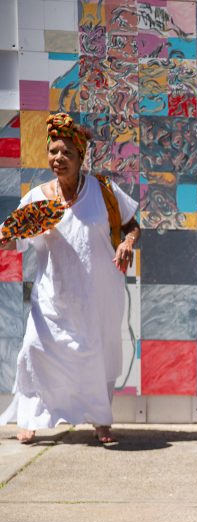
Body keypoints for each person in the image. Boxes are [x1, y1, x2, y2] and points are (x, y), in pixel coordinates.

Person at [0, 113, 139, 444]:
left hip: (99, 294)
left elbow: (132, 224)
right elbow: (13, 236)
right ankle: (31, 415)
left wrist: (127, 244)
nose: (58, 159)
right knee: (35, 349)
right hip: (53, 294)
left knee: (97, 354)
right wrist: (6, 239)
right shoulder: (37, 200)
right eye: (53, 152)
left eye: (67, 153)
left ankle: (100, 420)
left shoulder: (104, 190)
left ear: (81, 157)